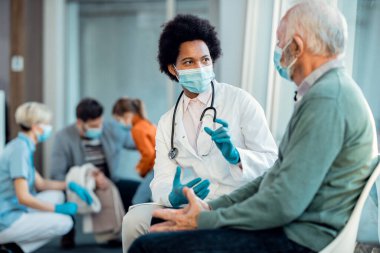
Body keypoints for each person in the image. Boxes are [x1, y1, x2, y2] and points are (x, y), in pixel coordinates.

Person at [128, 2, 379, 253]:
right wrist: (211, 210)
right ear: (173, 68)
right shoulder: (325, 94)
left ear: (298, 46)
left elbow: (283, 202)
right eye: (189, 62)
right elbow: (275, 179)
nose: (278, 51)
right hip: (290, 226)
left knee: (147, 247)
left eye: (280, 42)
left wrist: (208, 218)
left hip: (299, 238)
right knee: (146, 229)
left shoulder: (327, 100)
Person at [122, 14, 278, 252]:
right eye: (189, 62)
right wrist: (172, 196)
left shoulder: (240, 102)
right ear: (172, 69)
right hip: (188, 202)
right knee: (133, 221)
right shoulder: (167, 122)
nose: (200, 68)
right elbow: (162, 178)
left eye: (205, 60)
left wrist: (237, 157)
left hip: (233, 202)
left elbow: (271, 162)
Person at [0, 102, 93, 253]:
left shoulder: (21, 145)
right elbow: (23, 197)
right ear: (36, 127)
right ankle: (13, 248)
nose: (49, 128)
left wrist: (70, 185)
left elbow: (41, 184)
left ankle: (11, 247)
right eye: (47, 124)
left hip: (14, 208)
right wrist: (58, 209)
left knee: (57, 195)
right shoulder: (20, 151)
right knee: (65, 222)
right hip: (5, 219)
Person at [50, 98, 139, 248]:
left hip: (109, 181)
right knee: (60, 195)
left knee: (139, 190)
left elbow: (135, 143)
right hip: (80, 184)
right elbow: (56, 174)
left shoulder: (111, 129)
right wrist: (86, 179)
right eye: (93, 126)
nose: (98, 128)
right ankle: (68, 232)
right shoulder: (63, 138)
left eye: (100, 123)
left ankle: (122, 232)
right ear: (80, 123)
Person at [113, 98, 157, 204]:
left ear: (127, 115)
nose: (119, 124)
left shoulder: (137, 129)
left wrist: (140, 169)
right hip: (164, 167)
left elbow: (149, 154)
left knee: (138, 202)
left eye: (118, 120)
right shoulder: (147, 124)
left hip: (157, 169)